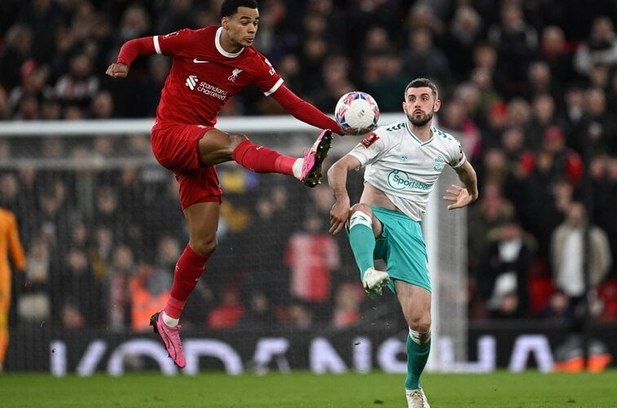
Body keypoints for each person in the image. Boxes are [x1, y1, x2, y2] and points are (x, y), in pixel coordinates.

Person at [105, 0, 348, 368]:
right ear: (226, 22)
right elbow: (138, 44)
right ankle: (298, 167)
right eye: (245, 21)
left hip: (198, 149)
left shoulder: (254, 62)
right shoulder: (192, 40)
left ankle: (169, 319)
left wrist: (336, 126)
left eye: (257, 23)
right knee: (233, 142)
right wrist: (124, 60)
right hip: (171, 136)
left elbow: (294, 103)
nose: (252, 29)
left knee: (204, 242)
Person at [327, 78, 478, 408]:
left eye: (425, 98)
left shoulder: (447, 145)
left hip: (408, 231)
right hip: (377, 221)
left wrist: (473, 192)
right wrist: (341, 197)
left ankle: (412, 386)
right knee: (359, 211)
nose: (419, 103)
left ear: (436, 105)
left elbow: (467, 170)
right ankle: (368, 272)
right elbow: (339, 167)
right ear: (405, 105)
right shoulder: (384, 137)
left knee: (421, 324)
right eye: (412, 99)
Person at [0, 206, 26, 373]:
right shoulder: (6, 218)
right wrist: (22, 268)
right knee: (1, 322)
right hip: (1, 278)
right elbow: (17, 253)